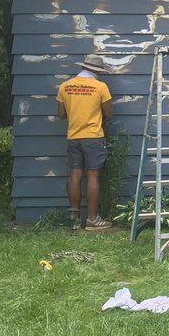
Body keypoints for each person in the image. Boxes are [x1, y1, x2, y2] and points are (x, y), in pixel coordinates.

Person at [57, 54, 114, 230]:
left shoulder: (65, 86)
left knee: (75, 175)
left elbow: (61, 114)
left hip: (73, 136)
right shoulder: (100, 87)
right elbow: (109, 113)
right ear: (97, 71)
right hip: (93, 136)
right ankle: (92, 219)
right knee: (92, 175)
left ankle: (74, 219)